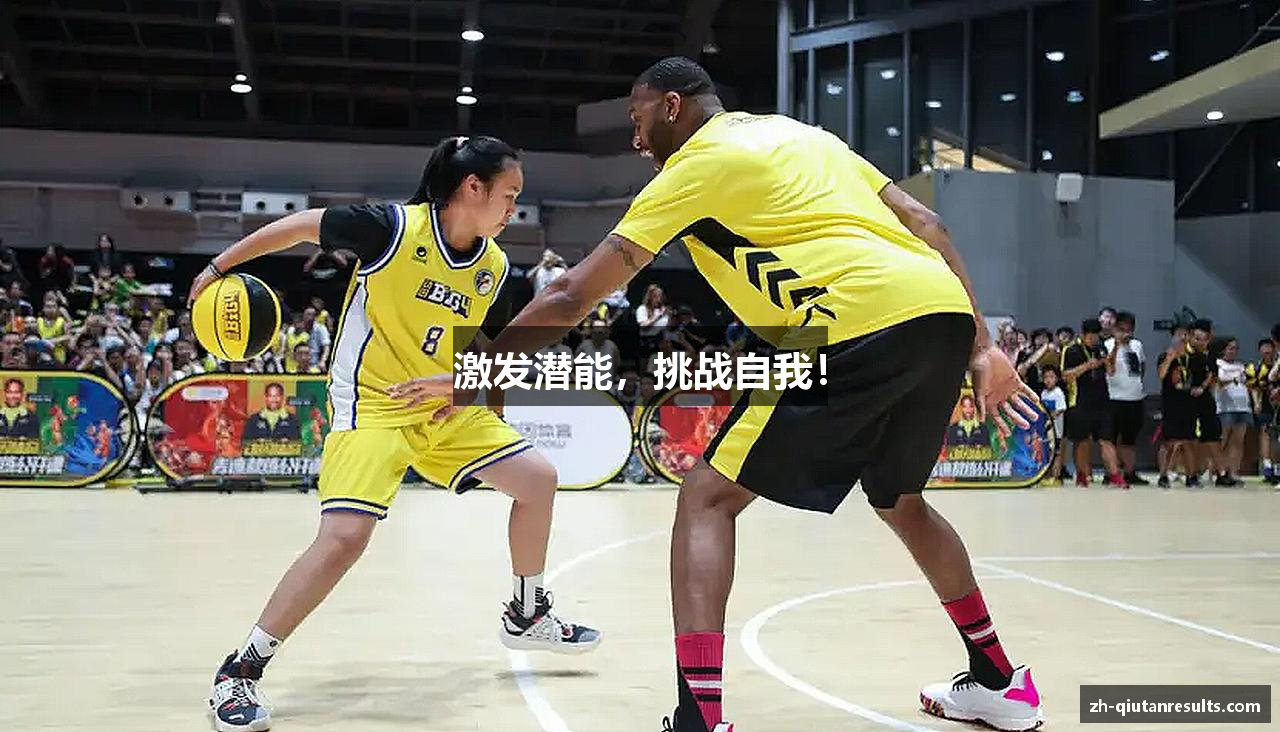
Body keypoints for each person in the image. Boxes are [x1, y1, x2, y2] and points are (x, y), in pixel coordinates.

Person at [395, 57, 1042, 732]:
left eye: (638, 119)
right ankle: (1000, 681)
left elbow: (570, 293)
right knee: (901, 501)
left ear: (672, 106)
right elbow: (926, 223)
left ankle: (699, 719)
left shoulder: (692, 168)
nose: (636, 139)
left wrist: (479, 375)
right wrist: (982, 345)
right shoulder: (801, 135)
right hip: (939, 312)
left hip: (843, 320)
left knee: (707, 497)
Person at [188, 135, 600, 732]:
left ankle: (528, 613)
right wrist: (217, 267)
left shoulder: (492, 266)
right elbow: (300, 226)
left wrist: (472, 393)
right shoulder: (391, 229)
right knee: (344, 538)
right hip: (373, 404)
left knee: (537, 479)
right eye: (509, 195)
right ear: (472, 188)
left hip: (441, 406)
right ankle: (239, 672)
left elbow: (482, 346)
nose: (515, 209)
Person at [1061, 318, 1126, 487]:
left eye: (1096, 337)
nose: (1093, 340)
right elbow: (1066, 376)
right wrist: (1086, 366)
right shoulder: (1071, 350)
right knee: (1082, 441)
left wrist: (1114, 350)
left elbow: (1110, 371)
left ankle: (1115, 475)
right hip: (1080, 401)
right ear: (1083, 335)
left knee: (1106, 440)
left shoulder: (1101, 348)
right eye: (1090, 337)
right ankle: (1082, 474)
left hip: (1102, 400)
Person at [1186, 319, 1232, 485]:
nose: (1202, 341)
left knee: (1213, 436)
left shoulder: (1211, 354)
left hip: (1206, 400)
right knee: (1190, 438)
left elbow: (1213, 375)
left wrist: (1204, 387)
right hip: (1188, 401)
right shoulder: (1185, 355)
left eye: (1205, 338)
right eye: (1197, 338)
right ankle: (1191, 473)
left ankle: (1221, 473)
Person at [1104, 311, 1147, 484]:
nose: (1125, 333)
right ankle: (1112, 472)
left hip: (1135, 397)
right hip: (1114, 397)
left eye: (1129, 329)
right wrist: (1117, 345)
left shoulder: (1137, 345)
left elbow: (1142, 367)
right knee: (1111, 438)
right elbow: (1109, 368)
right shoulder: (1107, 345)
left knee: (1130, 438)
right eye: (1122, 329)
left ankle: (1130, 471)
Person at [1156, 324, 1195, 487]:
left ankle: (1191, 476)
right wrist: (1170, 358)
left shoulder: (1192, 358)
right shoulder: (1165, 356)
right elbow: (1161, 375)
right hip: (1171, 404)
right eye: (1179, 334)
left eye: (1185, 334)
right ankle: (1163, 475)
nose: (1182, 338)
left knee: (1188, 442)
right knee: (1168, 443)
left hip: (1189, 404)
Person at [1213, 337, 1249, 485]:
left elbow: (1246, 382)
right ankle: (1218, 470)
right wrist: (1232, 380)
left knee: (1238, 441)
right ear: (1223, 350)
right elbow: (1218, 382)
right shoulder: (1218, 364)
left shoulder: (1241, 366)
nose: (1233, 351)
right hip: (1225, 407)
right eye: (1230, 348)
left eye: (1236, 348)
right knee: (1223, 440)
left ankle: (1233, 471)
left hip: (1242, 406)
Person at [1246, 337, 1278, 484]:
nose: (1266, 351)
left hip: (1277, 404)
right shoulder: (1256, 368)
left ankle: (1276, 467)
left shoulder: (1277, 365)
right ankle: (1267, 466)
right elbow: (1253, 387)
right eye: (1263, 349)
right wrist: (1256, 403)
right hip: (1264, 405)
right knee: (1265, 433)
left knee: (1276, 436)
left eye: (1269, 348)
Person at [1039, 364, 1067, 484]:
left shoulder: (1058, 393)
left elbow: (1061, 409)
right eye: (1046, 377)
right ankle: (1047, 476)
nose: (1048, 380)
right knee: (1048, 453)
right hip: (1047, 431)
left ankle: (1057, 477)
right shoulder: (1043, 393)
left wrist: (1050, 417)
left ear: (1056, 379)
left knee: (1057, 454)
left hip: (1057, 431)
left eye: (1051, 377)